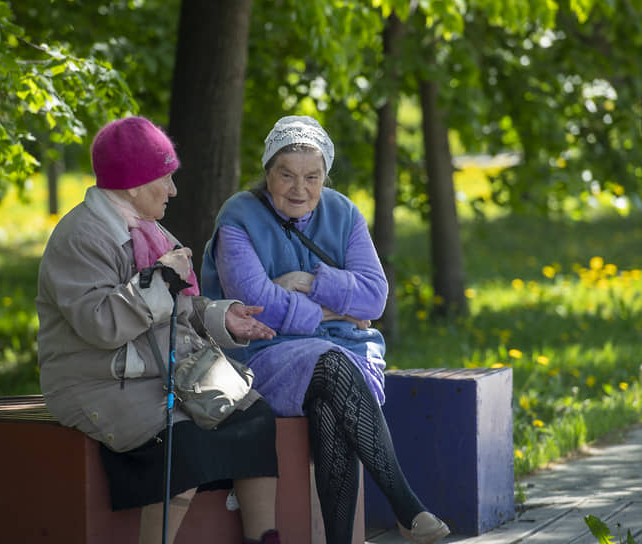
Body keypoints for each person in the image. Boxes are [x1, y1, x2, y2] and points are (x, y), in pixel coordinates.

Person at [201, 115, 450, 544]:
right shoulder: (238, 217)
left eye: (312, 177)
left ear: (324, 176)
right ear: (267, 173)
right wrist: (336, 312)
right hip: (263, 353)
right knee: (331, 365)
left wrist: (309, 282)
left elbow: (374, 299)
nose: (300, 189)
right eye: (286, 175)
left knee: (330, 406)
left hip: (347, 351)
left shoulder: (342, 211)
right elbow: (260, 307)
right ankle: (406, 506)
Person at [36, 116, 282, 544]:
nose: (173, 190)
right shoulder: (80, 237)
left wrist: (223, 317)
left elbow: (180, 308)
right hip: (97, 381)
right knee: (180, 442)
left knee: (253, 416)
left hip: (158, 372)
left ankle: (265, 539)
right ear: (133, 184)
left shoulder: (151, 230)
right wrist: (161, 280)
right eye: (164, 179)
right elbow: (101, 323)